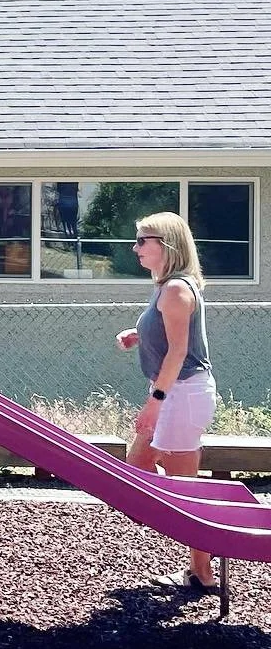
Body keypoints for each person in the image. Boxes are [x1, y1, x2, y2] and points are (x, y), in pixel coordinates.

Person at [116, 211, 219, 594]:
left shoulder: (176, 289)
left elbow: (179, 354)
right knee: (139, 465)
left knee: (185, 491)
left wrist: (155, 402)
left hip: (182, 394)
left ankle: (202, 568)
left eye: (143, 240)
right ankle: (200, 561)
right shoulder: (167, 287)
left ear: (167, 244)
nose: (135, 247)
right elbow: (172, 336)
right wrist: (139, 335)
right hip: (176, 393)